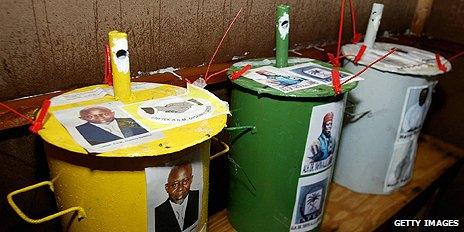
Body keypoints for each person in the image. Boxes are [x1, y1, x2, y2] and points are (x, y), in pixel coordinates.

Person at [155, 162, 199, 232]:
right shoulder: (157, 213)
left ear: (191, 180)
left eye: (185, 181)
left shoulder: (198, 197)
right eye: (175, 184)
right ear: (167, 188)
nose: (180, 188)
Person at [76, 106, 148, 145]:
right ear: (82, 118)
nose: (100, 117)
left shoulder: (132, 120)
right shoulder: (81, 130)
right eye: (90, 116)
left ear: (113, 113)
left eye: (105, 114)